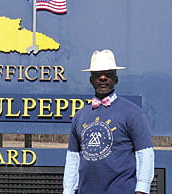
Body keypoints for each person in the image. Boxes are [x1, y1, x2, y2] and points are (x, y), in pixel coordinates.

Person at [63, 49, 154, 194]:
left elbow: (145, 154)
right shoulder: (80, 116)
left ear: (116, 79)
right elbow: (73, 159)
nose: (103, 78)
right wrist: (68, 191)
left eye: (108, 74)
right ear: (91, 80)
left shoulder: (133, 113)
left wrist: (142, 190)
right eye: (98, 74)